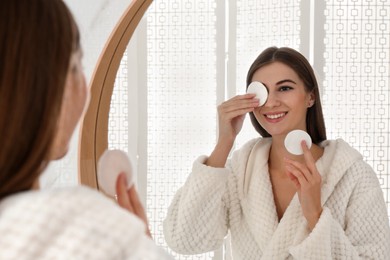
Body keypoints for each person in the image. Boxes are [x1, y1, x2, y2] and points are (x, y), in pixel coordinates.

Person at [163, 46, 390, 259]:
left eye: (285, 88)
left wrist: (315, 216)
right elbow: (185, 240)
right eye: (261, 91)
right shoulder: (240, 171)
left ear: (310, 97)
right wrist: (224, 142)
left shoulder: (353, 176)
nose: (271, 102)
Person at [0, 0, 172, 259]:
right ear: (34, 84)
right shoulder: (82, 229)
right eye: (75, 65)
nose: (85, 87)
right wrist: (130, 242)